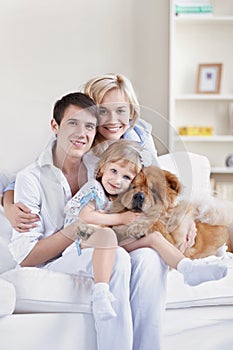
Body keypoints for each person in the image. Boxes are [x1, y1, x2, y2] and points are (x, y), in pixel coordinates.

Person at [7, 92, 135, 350]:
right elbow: (27, 257)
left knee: (120, 256)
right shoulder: (30, 179)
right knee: (116, 256)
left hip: (89, 252)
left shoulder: (102, 169)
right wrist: (76, 229)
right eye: (73, 123)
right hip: (53, 264)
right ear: (55, 126)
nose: (82, 133)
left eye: (89, 126)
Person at [67, 139, 227, 289]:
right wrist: (120, 218)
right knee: (150, 239)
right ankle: (186, 268)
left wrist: (187, 219)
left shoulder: (118, 191)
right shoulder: (94, 189)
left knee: (153, 238)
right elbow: (84, 217)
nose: (117, 180)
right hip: (84, 241)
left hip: (110, 241)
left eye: (126, 177)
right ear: (102, 168)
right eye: (113, 171)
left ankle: (187, 268)